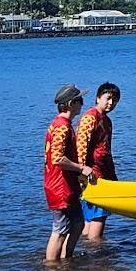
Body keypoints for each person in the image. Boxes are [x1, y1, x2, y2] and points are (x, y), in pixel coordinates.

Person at [44, 85, 88, 261]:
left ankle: (66, 259)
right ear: (71, 103)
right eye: (80, 101)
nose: (82, 105)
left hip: (66, 186)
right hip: (59, 187)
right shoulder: (62, 127)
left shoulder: (62, 124)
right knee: (60, 230)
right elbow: (58, 159)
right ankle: (52, 268)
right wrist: (81, 168)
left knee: (78, 224)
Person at [76, 82, 121, 242]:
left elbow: (107, 151)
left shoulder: (107, 121)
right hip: (92, 175)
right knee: (98, 219)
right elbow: (81, 145)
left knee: (90, 221)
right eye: (108, 98)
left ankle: (81, 260)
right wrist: (82, 170)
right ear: (98, 98)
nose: (111, 103)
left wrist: (113, 178)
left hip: (103, 173)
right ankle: (98, 260)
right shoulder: (90, 117)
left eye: (115, 100)